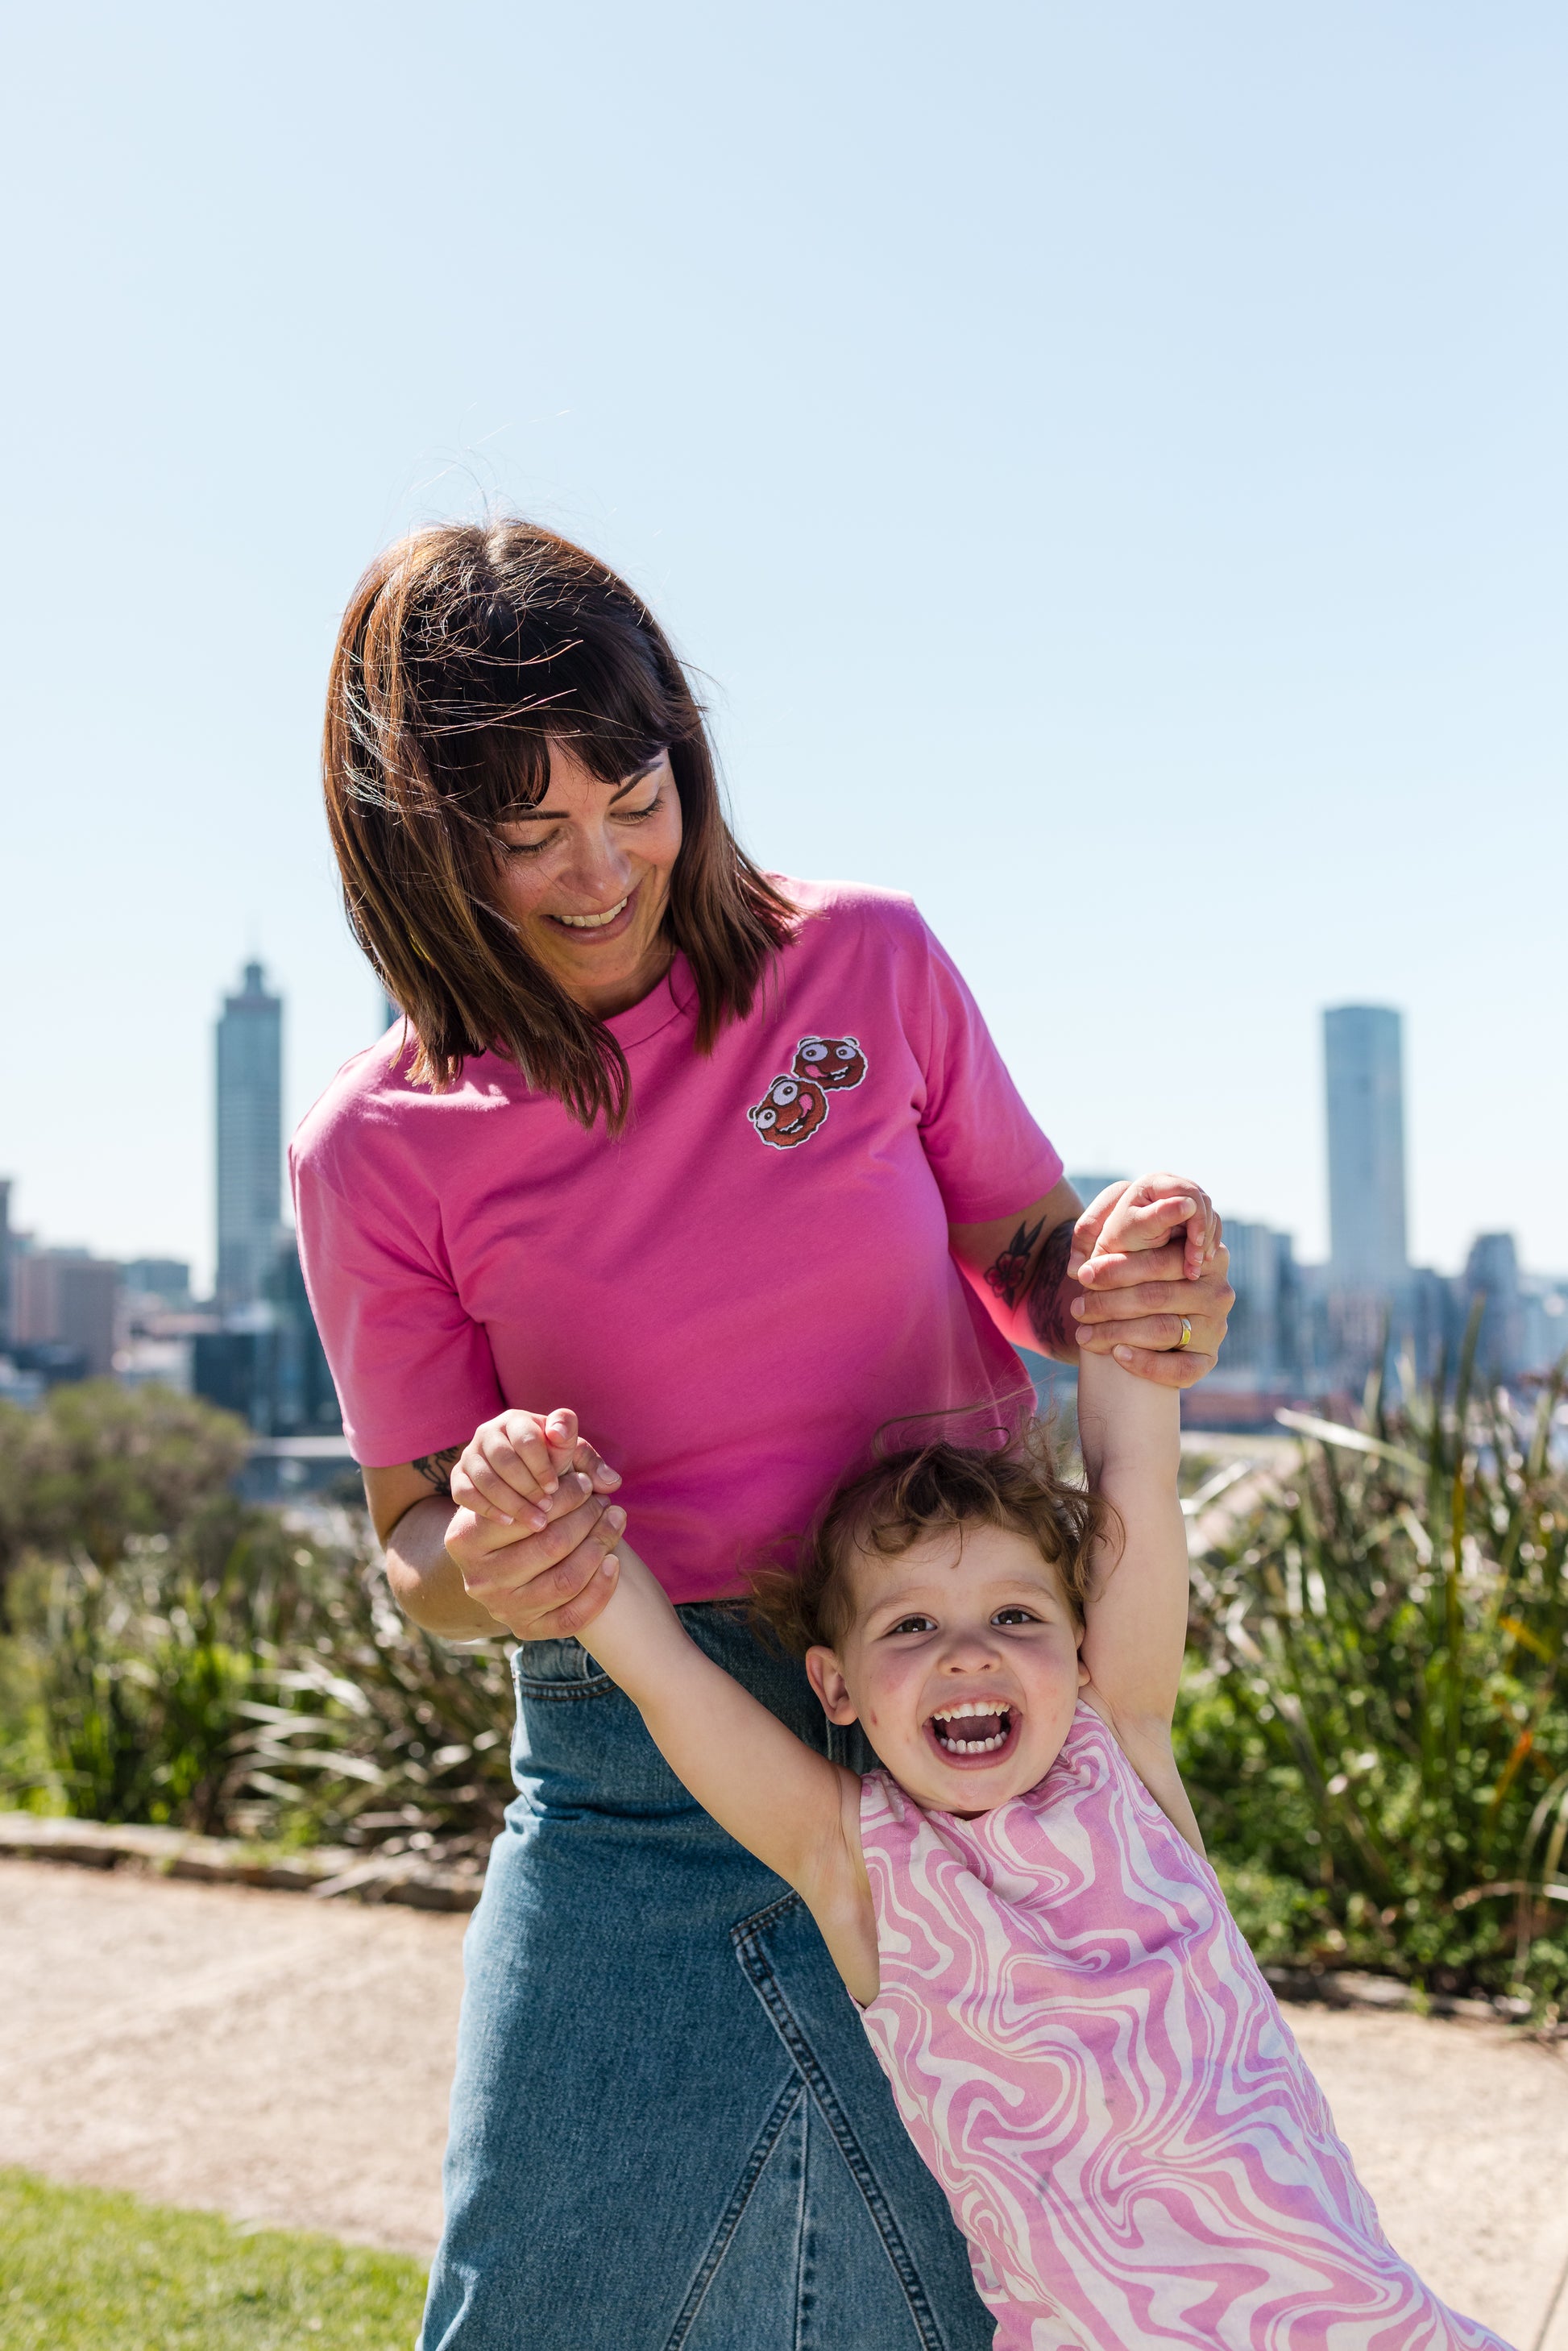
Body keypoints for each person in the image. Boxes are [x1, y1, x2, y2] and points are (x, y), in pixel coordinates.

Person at [292, 517, 1235, 2351]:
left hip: (962, 1733)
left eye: (629, 791)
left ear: (685, 760)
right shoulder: (375, 1146)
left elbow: (1025, 1261)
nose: (598, 868)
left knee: (1013, 2297)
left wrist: (1118, 1280)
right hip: (631, 1774)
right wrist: (501, 1557)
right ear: (419, 837)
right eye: (524, 828)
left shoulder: (864, 961)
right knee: (536, 2307)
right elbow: (413, 1549)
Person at [566, 1184, 1512, 2351]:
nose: (967, 1650)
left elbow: (1132, 1486)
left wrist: (1123, 1282)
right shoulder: (860, 1864)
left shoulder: (1124, 1754)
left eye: (1013, 1615)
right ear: (835, 1686)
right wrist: (562, 1531)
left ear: (1075, 1643)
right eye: (909, 1628)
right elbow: (667, 1677)